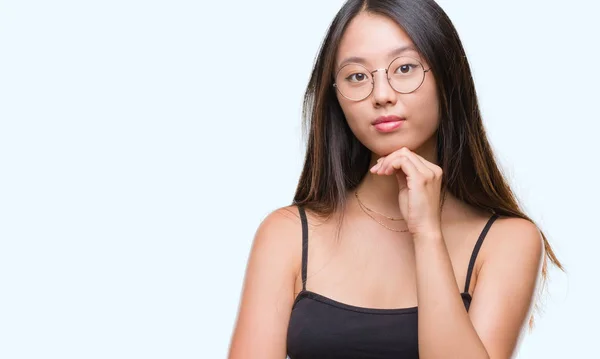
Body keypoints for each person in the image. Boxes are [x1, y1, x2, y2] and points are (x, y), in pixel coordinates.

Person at [228, 0, 563, 358]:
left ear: (447, 75)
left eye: (404, 68)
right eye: (357, 76)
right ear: (335, 97)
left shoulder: (508, 241)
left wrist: (427, 234)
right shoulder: (287, 233)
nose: (382, 95)